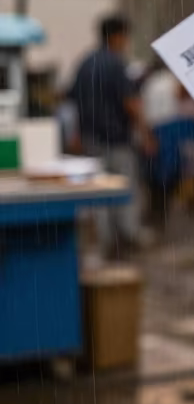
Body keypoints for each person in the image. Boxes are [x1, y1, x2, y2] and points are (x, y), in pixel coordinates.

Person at [68, 14, 153, 253]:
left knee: (99, 192)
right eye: (125, 36)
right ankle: (128, 235)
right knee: (124, 188)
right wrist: (146, 134)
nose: (126, 42)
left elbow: (73, 101)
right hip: (116, 139)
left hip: (91, 140)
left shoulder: (85, 63)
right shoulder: (116, 63)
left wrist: (77, 134)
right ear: (117, 36)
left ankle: (104, 241)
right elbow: (130, 102)